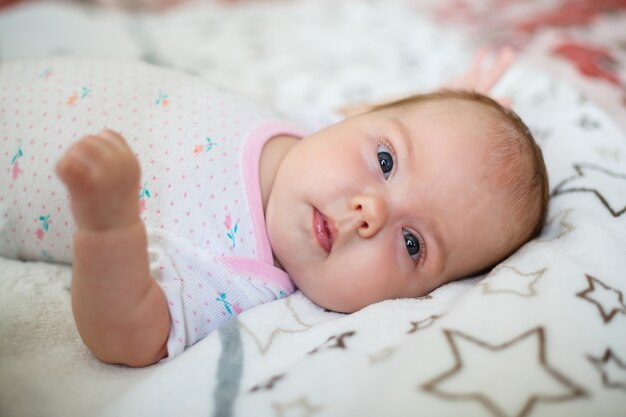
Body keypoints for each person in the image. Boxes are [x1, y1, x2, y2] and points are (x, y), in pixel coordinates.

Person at [0, 49, 548, 367]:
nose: (369, 211)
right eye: (385, 160)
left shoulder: (236, 277)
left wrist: (109, 225)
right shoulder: (309, 129)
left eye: (412, 244)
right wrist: (457, 100)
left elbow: (126, 338)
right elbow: (383, 117)